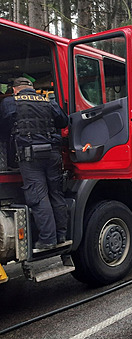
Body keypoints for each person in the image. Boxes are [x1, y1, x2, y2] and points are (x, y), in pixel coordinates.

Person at [0, 77, 68, 251]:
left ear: (15, 89)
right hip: (53, 154)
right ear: (31, 87)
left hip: (30, 157)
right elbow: (63, 121)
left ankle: (48, 239)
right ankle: (61, 235)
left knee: (39, 196)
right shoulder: (48, 101)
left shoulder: (10, 102)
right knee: (56, 194)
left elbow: (4, 128)